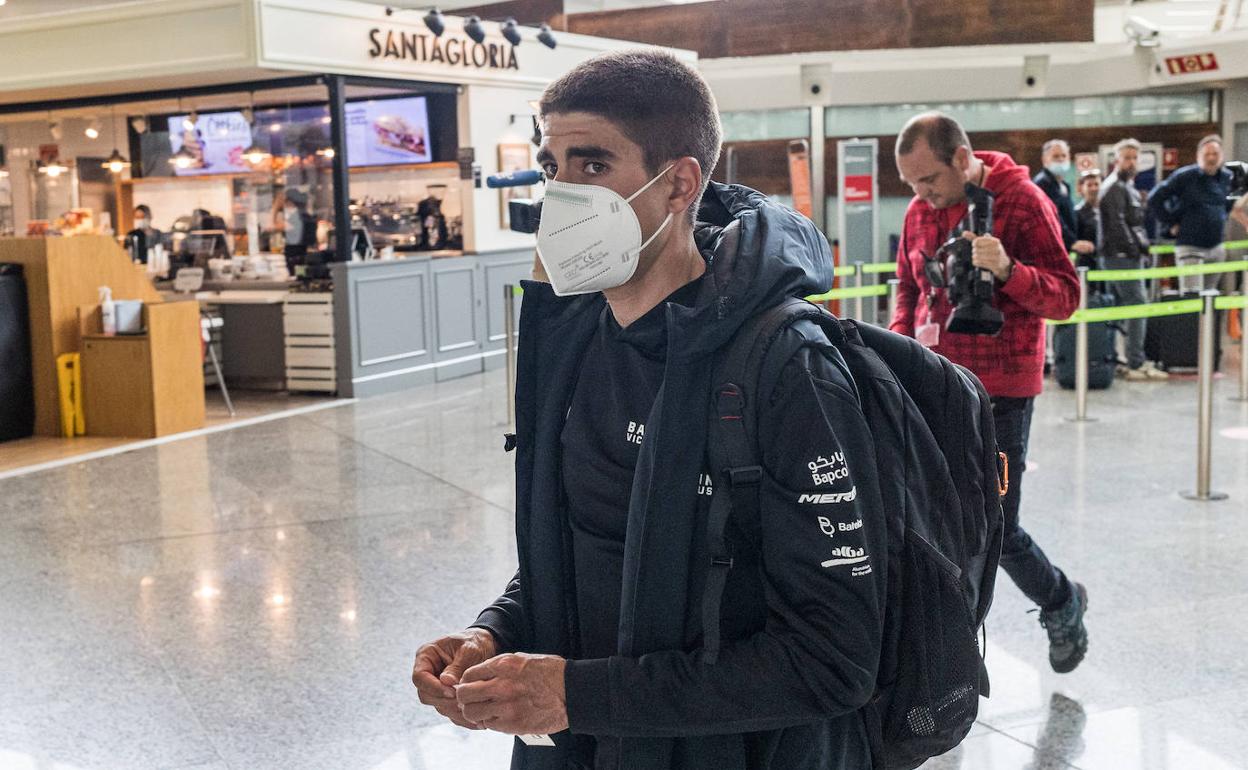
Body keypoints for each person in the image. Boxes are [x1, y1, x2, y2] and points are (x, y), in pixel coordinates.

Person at [411, 50, 887, 770]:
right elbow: (591, 544)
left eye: (593, 166)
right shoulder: (572, 342)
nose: (563, 194)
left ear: (679, 184)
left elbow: (835, 659)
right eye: (553, 168)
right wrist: (496, 634)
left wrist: (580, 695)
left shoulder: (786, 368)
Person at [888, 112, 1089, 674]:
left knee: (994, 526)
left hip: (1001, 392)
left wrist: (1008, 271)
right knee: (931, 523)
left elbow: (1065, 298)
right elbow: (907, 288)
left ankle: (1060, 599)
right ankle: (942, 658)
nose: (921, 196)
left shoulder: (1023, 202)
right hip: (931, 385)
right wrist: (901, 352)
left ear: (961, 158)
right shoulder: (918, 212)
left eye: (927, 181)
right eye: (911, 186)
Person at [1100, 138, 1167, 381]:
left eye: (1135, 157)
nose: (1131, 162)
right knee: (1138, 307)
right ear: (1116, 160)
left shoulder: (1126, 186)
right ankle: (1135, 362)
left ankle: (1122, 358)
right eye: (1127, 157)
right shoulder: (1115, 187)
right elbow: (1118, 225)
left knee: (1122, 309)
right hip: (1121, 257)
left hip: (1127, 255)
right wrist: (1136, 249)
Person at [1147, 135, 1235, 293]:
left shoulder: (1228, 178)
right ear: (1198, 156)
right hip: (1190, 247)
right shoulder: (1184, 176)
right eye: (1207, 154)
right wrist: (1170, 222)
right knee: (1192, 297)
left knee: (1210, 297)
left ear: (1221, 155)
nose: (1211, 158)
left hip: (1216, 247)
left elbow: (1227, 205)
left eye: (1215, 154)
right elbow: (1155, 198)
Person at [1033, 139, 1096, 260]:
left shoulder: (1063, 185)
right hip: (1050, 249)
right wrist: (1071, 242)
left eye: (1064, 156)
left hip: (1064, 247)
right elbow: (1052, 216)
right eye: (1056, 156)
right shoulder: (1043, 184)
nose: (1061, 159)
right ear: (1045, 160)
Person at [1073, 170, 1103, 270]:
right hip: (1087, 264)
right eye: (1089, 185)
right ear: (1082, 188)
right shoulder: (1077, 213)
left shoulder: (1107, 210)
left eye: (1096, 184)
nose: (1094, 188)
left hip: (1106, 261)